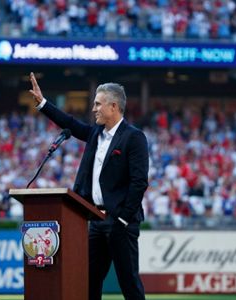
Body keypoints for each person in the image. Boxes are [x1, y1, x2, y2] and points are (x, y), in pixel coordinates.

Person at [29, 72, 148, 300]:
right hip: (95, 220)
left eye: (97, 104)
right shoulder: (95, 133)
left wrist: (122, 218)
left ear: (113, 106)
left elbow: (139, 182)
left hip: (120, 223)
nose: (93, 108)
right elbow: (70, 123)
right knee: (88, 282)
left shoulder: (134, 137)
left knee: (129, 284)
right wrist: (43, 103)